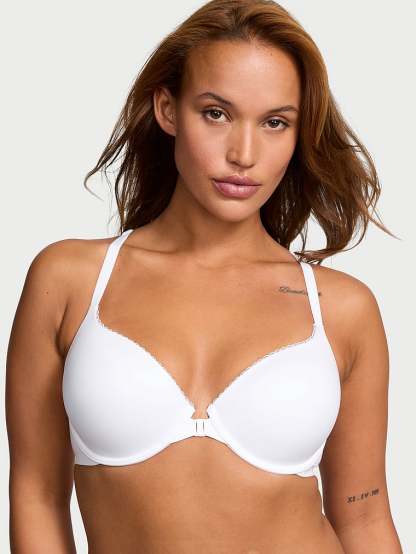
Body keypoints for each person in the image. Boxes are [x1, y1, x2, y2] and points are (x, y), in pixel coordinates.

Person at [6, 0, 403, 552]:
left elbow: (363, 517)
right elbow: (37, 495)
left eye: (275, 122)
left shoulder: (341, 308)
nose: (244, 153)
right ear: (168, 110)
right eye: (216, 113)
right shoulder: (70, 281)